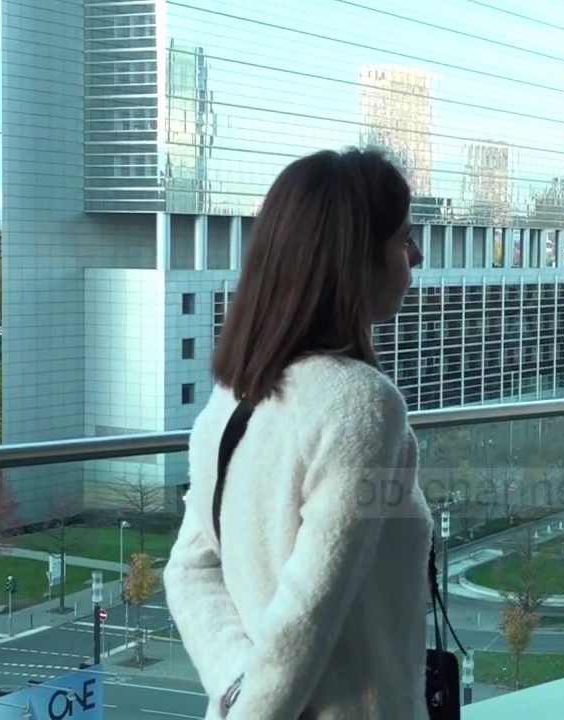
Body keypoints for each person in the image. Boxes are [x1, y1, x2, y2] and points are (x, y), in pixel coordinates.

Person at [164, 147, 429, 719]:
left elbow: (189, 570)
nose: (416, 256)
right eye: (404, 239)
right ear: (354, 260)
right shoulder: (362, 405)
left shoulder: (232, 399)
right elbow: (307, 610)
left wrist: (237, 687)